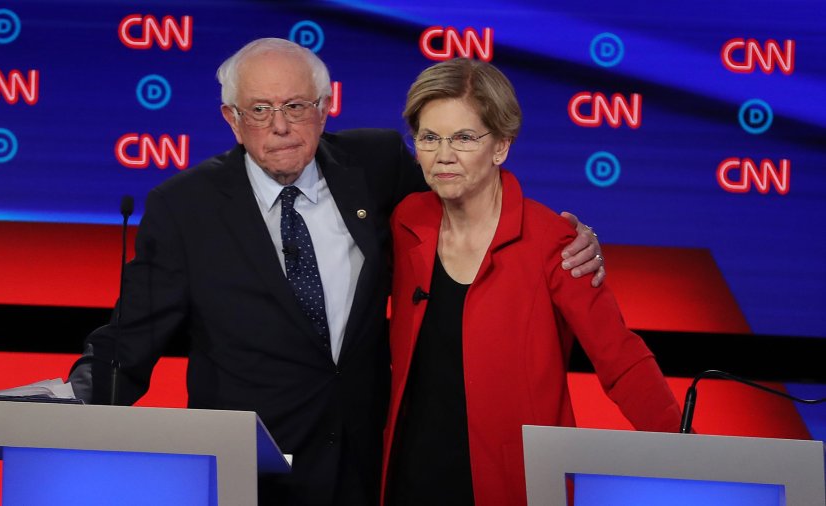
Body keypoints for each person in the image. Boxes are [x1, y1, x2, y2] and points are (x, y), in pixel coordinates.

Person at [68, 39, 603, 506]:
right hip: (249, 477)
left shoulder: (377, 165)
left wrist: (561, 233)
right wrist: (65, 404)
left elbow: (471, 198)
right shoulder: (185, 207)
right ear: (230, 118)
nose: (280, 126)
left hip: (364, 469)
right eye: (259, 109)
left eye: (296, 105)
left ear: (325, 109)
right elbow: (130, 341)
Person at [381, 58, 682, 506]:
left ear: (501, 145)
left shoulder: (553, 242)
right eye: (429, 138)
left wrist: (691, 453)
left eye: (464, 137)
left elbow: (621, 360)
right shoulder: (406, 219)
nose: (443, 155)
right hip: (411, 474)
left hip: (514, 480)